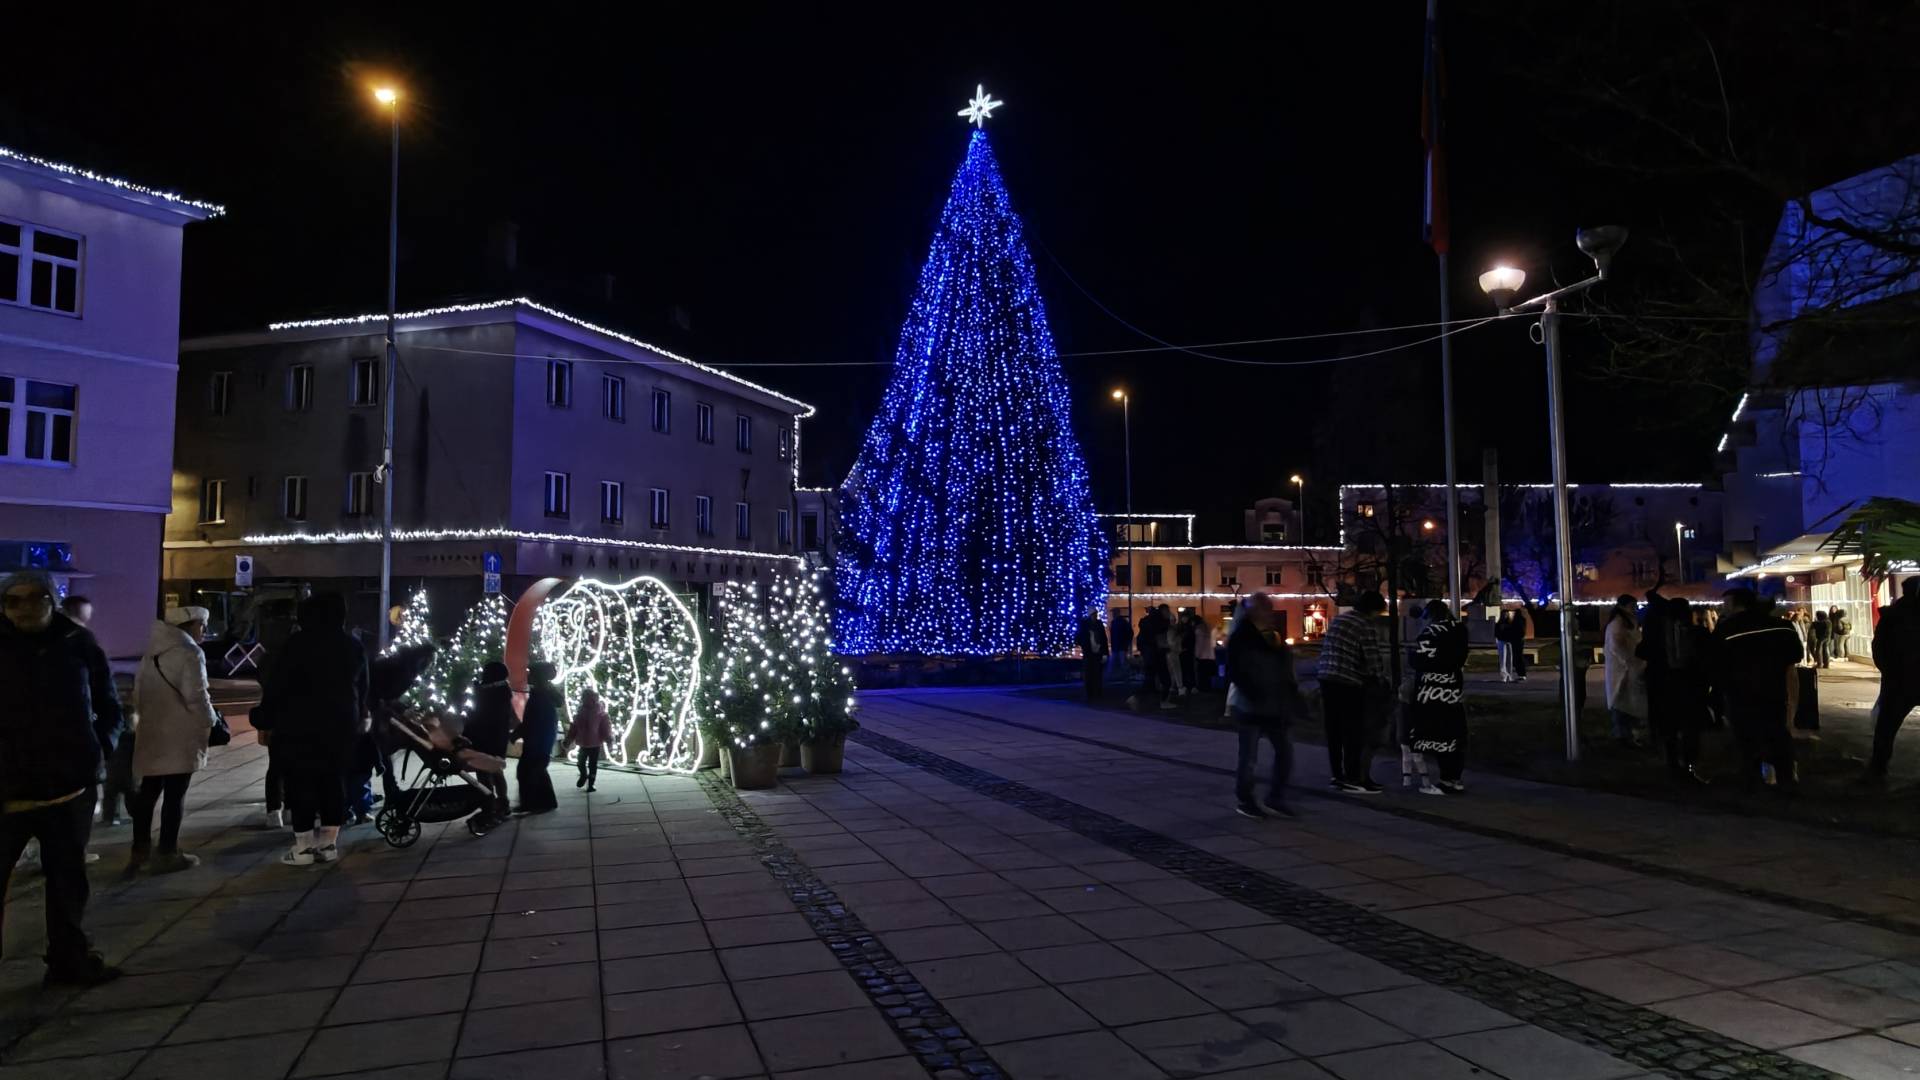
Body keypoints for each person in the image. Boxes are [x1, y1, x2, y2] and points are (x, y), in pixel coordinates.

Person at [0, 571, 123, 987]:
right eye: (13, 600)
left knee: (68, 882)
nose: (25, 608)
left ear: (52, 600)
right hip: (7, 793)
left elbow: (109, 704)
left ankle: (68, 961)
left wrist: (99, 748)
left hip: (69, 788)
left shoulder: (78, 643)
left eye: (35, 597)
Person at [258, 593, 368, 866]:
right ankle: (328, 845)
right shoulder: (352, 645)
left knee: (301, 783)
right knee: (333, 782)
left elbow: (278, 685)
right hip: (341, 725)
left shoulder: (297, 644)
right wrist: (360, 716)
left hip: (299, 726)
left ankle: (304, 848)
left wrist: (264, 718)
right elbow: (363, 687)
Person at [129, 606, 221, 874]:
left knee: (148, 792)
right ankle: (167, 851)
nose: (204, 631)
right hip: (180, 733)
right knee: (175, 794)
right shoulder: (189, 652)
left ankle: (140, 850)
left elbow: (138, 692)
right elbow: (196, 695)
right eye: (202, 625)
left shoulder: (152, 651)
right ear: (190, 625)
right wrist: (211, 721)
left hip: (153, 731)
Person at [1713, 588, 1803, 792]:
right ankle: (1786, 779)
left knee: (1747, 739)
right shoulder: (1783, 627)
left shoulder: (1727, 629)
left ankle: (1753, 781)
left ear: (1735, 604)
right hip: (1775, 692)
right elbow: (1792, 662)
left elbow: (1716, 663)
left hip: (1740, 694)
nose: (1724, 608)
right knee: (1778, 735)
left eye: (1726, 603)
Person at [1226, 592, 1304, 819]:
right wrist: (1253, 692)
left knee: (1284, 752)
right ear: (1253, 611)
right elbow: (1235, 670)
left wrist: (1289, 692)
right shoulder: (1242, 637)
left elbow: (1282, 668)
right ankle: (1246, 799)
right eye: (1265, 609)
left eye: (1270, 608)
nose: (1270, 613)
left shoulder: (1273, 636)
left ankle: (1275, 797)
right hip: (1251, 705)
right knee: (1249, 757)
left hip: (1275, 705)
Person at [1315, 591, 1389, 792]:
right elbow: (1373, 659)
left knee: (1334, 730)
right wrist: (1381, 680)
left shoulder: (1340, 620)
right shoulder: (1364, 625)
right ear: (1373, 609)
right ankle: (1353, 777)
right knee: (1352, 730)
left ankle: (1337, 775)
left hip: (1326, 677)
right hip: (1348, 680)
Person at [1640, 596, 1711, 784]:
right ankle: (1690, 765)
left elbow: (1642, 651)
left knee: (1669, 729)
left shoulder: (1657, 634)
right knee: (1690, 730)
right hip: (1691, 688)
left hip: (1665, 688)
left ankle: (1673, 765)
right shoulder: (1698, 633)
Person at [1407, 599, 1470, 794]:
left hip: (1432, 690)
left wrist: (1412, 656)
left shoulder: (1430, 632)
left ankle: (1445, 780)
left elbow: (1421, 659)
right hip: (1452, 688)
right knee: (1454, 733)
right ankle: (1455, 778)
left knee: (1438, 733)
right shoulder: (1459, 629)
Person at [1863, 576, 1920, 785]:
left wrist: (1889, 671)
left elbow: (1879, 648)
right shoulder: (1895, 616)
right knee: (1886, 725)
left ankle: (1878, 768)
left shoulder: (1892, 615)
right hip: (1901, 679)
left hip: (1898, 681)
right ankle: (1877, 768)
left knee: (1886, 727)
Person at [464, 661, 515, 824]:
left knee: (484, 772)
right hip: (497, 738)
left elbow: (479, 715)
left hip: (484, 738)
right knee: (495, 770)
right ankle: (501, 803)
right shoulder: (503, 691)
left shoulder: (488, 693)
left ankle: (490, 805)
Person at [513, 661, 562, 814]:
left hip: (538, 741)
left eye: (531, 673)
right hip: (540, 740)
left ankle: (533, 804)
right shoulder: (543, 693)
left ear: (538, 676)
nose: (528, 676)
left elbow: (533, 720)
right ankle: (544, 803)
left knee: (528, 772)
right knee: (536, 771)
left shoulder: (541, 696)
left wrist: (518, 733)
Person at [1603, 594, 1647, 747]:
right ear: (1622, 606)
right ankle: (1622, 735)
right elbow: (1616, 646)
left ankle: (1628, 735)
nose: (1634, 609)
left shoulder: (1627, 621)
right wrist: (1629, 661)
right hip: (1622, 669)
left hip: (1629, 667)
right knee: (1621, 701)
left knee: (1629, 702)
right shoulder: (1618, 624)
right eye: (1631, 606)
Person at [566, 686, 613, 792]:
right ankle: (583, 775)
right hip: (583, 744)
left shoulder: (600, 714)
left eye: (587, 699)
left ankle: (591, 784)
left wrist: (609, 740)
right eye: (584, 698)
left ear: (593, 699)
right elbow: (574, 727)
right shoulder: (580, 712)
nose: (585, 701)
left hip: (595, 744)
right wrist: (569, 739)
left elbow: (606, 728)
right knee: (580, 763)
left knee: (592, 765)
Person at [1131, 605, 1166, 707]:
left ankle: (1145, 697)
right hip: (1153, 652)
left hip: (1148, 652)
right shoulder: (1156, 623)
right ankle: (1139, 698)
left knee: (1150, 676)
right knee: (1153, 676)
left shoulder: (1145, 623)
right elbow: (1156, 636)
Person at [1075, 611, 1108, 701]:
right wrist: (1084, 645)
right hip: (1089, 653)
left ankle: (1097, 693)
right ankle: (1091, 693)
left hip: (1097, 653)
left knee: (1097, 674)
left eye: (1095, 614)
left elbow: (1104, 639)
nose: (1095, 616)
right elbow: (1079, 637)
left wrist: (1105, 653)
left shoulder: (1098, 625)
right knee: (1089, 674)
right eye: (1093, 615)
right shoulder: (1085, 625)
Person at [1191, 615, 1215, 692]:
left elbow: (1199, 644)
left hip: (1202, 656)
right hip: (1210, 655)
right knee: (1208, 674)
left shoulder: (1198, 630)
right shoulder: (1209, 628)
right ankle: (1209, 688)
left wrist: (1197, 655)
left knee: (1202, 674)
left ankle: (1202, 688)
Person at [1494, 610, 1518, 682]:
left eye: (1506, 614)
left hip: (1509, 641)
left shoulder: (1511, 623)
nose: (1505, 616)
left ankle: (1510, 676)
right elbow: (1496, 633)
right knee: (1502, 659)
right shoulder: (1498, 624)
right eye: (1504, 614)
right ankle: (1504, 676)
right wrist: (1499, 636)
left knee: (1509, 659)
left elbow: (1513, 632)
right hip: (1501, 641)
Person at [1109, 612, 1133, 677]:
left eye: (1114, 613)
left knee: (1119, 662)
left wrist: (1126, 642)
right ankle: (1125, 676)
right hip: (1119, 646)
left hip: (1119, 646)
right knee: (1121, 662)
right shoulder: (1120, 622)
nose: (1113, 615)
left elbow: (1130, 633)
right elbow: (1130, 633)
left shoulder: (1117, 622)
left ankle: (1123, 676)